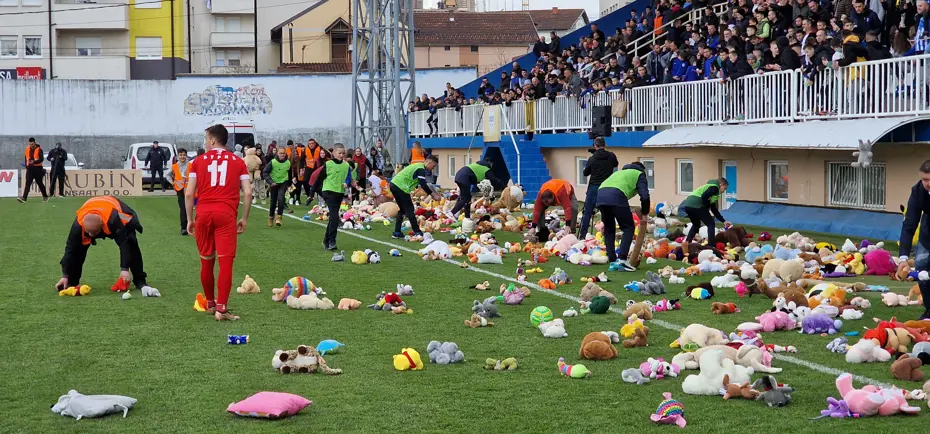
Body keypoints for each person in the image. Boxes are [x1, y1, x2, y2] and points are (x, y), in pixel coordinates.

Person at [185, 124, 252, 321]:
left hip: (203, 214)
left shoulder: (197, 161)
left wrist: (190, 219)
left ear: (213, 140)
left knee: (206, 261)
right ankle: (221, 309)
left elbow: (189, 193)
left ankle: (210, 303)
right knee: (225, 262)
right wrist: (244, 218)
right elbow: (247, 192)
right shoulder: (238, 161)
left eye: (206, 139)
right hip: (226, 215)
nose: (205, 143)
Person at [55, 196, 157, 295]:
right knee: (78, 249)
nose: (91, 236)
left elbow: (125, 245)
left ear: (102, 227)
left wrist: (124, 269)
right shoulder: (77, 226)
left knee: (131, 242)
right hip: (93, 207)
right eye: (89, 233)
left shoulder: (115, 220)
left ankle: (140, 280)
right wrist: (65, 275)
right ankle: (71, 282)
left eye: (94, 234)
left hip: (115, 208)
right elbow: (70, 250)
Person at [596, 162, 650, 272]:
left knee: (609, 229)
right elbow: (644, 196)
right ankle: (622, 260)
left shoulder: (620, 173)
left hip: (601, 195)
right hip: (616, 195)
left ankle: (612, 260)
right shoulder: (639, 174)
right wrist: (645, 213)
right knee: (628, 227)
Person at [899, 160, 930, 319]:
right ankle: (929, 310)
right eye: (925, 179)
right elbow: (909, 224)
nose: (928, 184)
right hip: (927, 235)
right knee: (922, 268)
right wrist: (903, 258)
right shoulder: (918, 191)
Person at [312, 143, 358, 250]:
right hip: (328, 192)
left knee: (333, 217)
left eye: (343, 153)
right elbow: (318, 179)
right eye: (339, 153)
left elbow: (348, 177)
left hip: (339, 193)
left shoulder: (346, 165)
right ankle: (332, 241)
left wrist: (347, 183)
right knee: (334, 216)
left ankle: (326, 240)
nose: (341, 155)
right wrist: (311, 193)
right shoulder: (328, 164)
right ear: (334, 153)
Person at [390, 156, 440, 240]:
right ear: (429, 162)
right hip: (401, 187)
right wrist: (433, 195)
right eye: (433, 166)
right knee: (410, 209)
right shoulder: (421, 169)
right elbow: (423, 184)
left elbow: (419, 183)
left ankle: (397, 232)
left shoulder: (418, 166)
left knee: (402, 210)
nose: (433, 169)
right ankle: (417, 232)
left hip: (395, 184)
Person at [679, 178, 730, 258]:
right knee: (711, 224)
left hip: (688, 205)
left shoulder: (709, 188)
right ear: (721, 185)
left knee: (696, 225)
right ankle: (711, 247)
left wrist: (723, 221)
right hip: (697, 204)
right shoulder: (715, 188)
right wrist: (705, 207)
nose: (724, 191)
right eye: (725, 188)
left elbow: (714, 209)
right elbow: (704, 196)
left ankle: (687, 243)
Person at [579, 137, 619, 236]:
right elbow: (615, 164)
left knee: (587, 212)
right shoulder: (611, 156)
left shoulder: (592, 159)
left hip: (593, 187)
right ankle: (605, 234)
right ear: (605, 145)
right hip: (607, 187)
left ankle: (583, 235)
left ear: (595, 146)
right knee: (606, 212)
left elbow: (585, 173)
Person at [263, 146, 291, 227]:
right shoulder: (273, 162)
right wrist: (270, 182)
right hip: (274, 183)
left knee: (281, 199)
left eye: (283, 153)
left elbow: (289, 173)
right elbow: (265, 172)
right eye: (280, 153)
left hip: (283, 183)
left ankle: (279, 217)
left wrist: (289, 184)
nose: (282, 155)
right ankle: (271, 217)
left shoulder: (288, 162)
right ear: (277, 153)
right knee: (273, 202)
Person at [169, 148, 192, 236]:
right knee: (183, 208)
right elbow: (168, 175)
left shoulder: (190, 165)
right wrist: (172, 182)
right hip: (180, 190)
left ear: (186, 156)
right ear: (178, 156)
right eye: (181, 155)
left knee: (191, 208)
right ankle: (183, 227)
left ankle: (192, 226)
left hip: (189, 189)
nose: (182, 157)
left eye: (184, 155)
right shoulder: (175, 166)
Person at [18, 138, 49, 203]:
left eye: (32, 144)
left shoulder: (39, 150)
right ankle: (24, 198)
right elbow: (26, 158)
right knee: (28, 183)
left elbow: (41, 159)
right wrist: (27, 166)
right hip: (30, 169)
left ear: (35, 143)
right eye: (30, 144)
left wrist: (34, 162)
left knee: (40, 183)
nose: (31, 145)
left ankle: (45, 196)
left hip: (37, 169)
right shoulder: (27, 149)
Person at [303, 139, 322, 205]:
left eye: (312, 143)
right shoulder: (306, 149)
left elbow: (325, 155)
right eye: (309, 143)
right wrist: (301, 168)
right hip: (308, 168)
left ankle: (320, 198)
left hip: (317, 168)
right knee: (305, 181)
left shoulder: (320, 148)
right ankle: (310, 196)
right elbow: (302, 159)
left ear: (315, 143)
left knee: (317, 184)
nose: (311, 145)